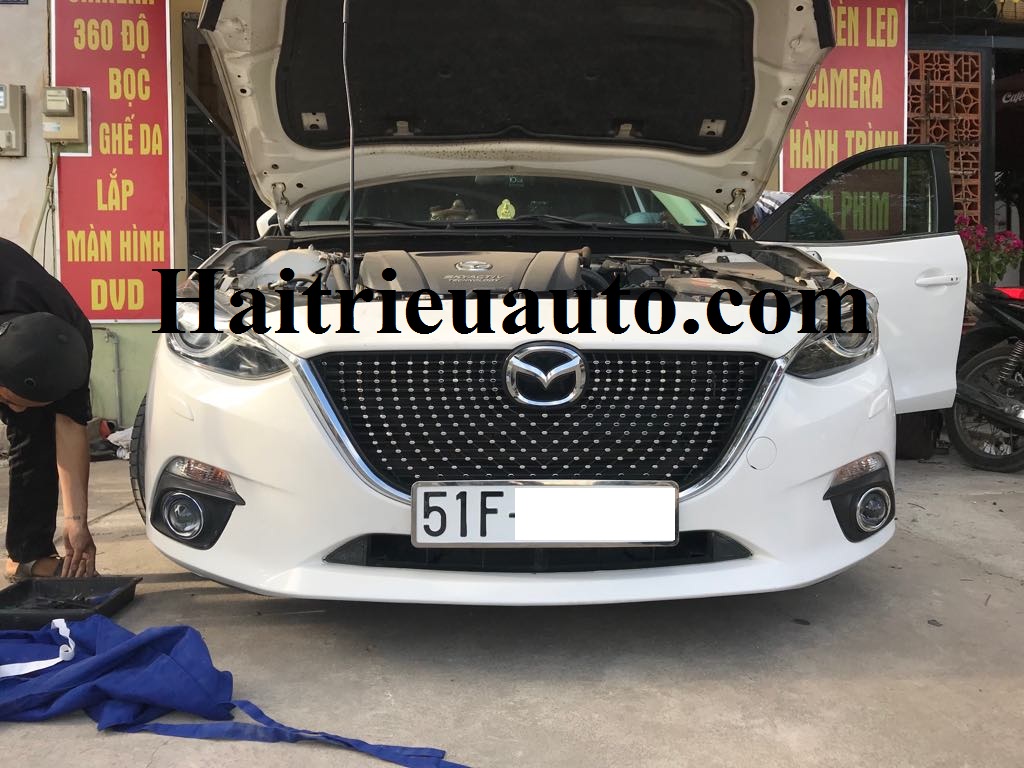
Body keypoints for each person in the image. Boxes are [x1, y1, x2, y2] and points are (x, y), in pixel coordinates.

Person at [0, 236, 97, 580]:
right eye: (8, 401)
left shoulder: (71, 343)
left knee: (35, 430)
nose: (16, 412)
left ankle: (27, 554)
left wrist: (76, 523)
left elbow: (70, 424)